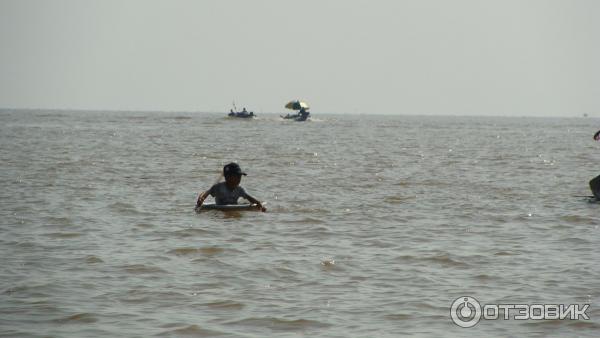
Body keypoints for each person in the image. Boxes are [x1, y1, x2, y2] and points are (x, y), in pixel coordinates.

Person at [196, 162, 266, 211]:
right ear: (227, 177)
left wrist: (259, 204)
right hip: (220, 209)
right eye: (236, 177)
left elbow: (250, 198)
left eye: (240, 177)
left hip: (234, 207)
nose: (239, 179)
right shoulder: (218, 187)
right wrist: (201, 198)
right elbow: (207, 192)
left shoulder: (240, 190)